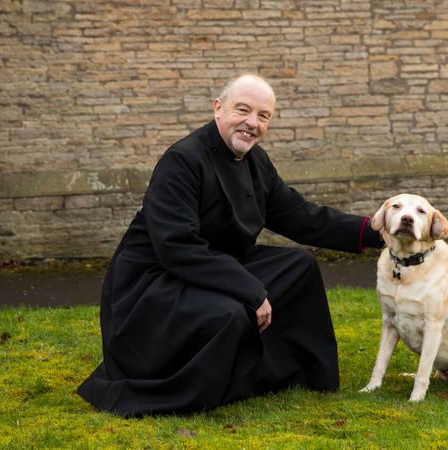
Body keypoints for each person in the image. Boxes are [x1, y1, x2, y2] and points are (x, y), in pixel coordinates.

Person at [77, 74, 383, 416]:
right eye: (243, 110)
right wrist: (250, 290)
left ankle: (298, 373)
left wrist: (379, 230)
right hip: (152, 285)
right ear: (218, 109)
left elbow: (301, 216)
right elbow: (177, 247)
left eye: (263, 116)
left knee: (299, 266)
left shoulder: (255, 160)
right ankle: (200, 388)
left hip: (212, 267)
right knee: (232, 312)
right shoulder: (182, 160)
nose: (252, 123)